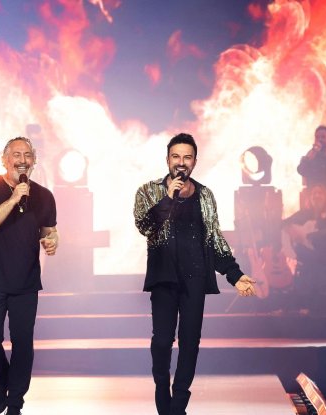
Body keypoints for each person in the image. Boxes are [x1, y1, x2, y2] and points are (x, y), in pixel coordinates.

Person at [133, 133, 256, 415]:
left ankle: (178, 405)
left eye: (187, 157)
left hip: (195, 278)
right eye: (176, 156)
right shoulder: (148, 191)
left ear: (194, 162)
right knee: (163, 340)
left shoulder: (205, 195)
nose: (181, 162)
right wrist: (168, 198)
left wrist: (234, 275)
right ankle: (162, 388)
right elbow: (145, 225)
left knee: (190, 341)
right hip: (163, 277)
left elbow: (214, 239)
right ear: (167, 160)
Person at [0, 136, 58, 415]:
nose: (22, 160)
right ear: (5, 160)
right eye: (16, 155)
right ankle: (2, 378)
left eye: (27, 155)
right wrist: (14, 198)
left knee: (23, 344)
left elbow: (48, 230)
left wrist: (52, 240)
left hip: (25, 281)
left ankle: (15, 405)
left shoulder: (44, 196)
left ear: (34, 161)